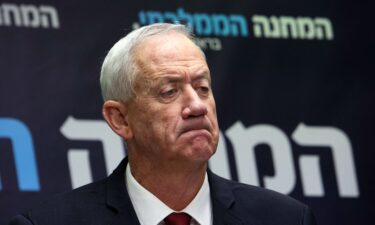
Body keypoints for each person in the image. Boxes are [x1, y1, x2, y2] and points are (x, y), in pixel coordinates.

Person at [10, 23, 316, 225]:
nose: (196, 106)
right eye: (169, 91)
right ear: (120, 119)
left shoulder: (286, 219)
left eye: (203, 88)